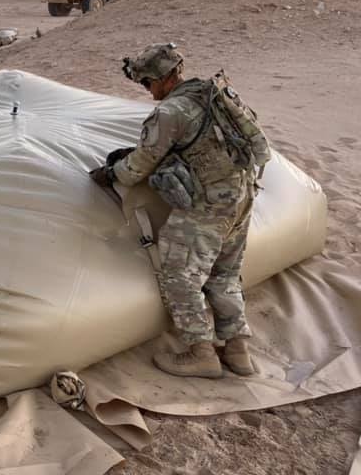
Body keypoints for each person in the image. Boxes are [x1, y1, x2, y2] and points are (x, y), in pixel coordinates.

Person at [90, 43, 270, 379]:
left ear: (161, 79)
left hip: (210, 204)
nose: (148, 91)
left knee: (178, 271)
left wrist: (111, 174)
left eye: (147, 84)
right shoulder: (213, 94)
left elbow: (137, 167)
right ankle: (237, 348)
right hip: (244, 196)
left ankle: (200, 351)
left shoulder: (171, 113)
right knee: (225, 273)